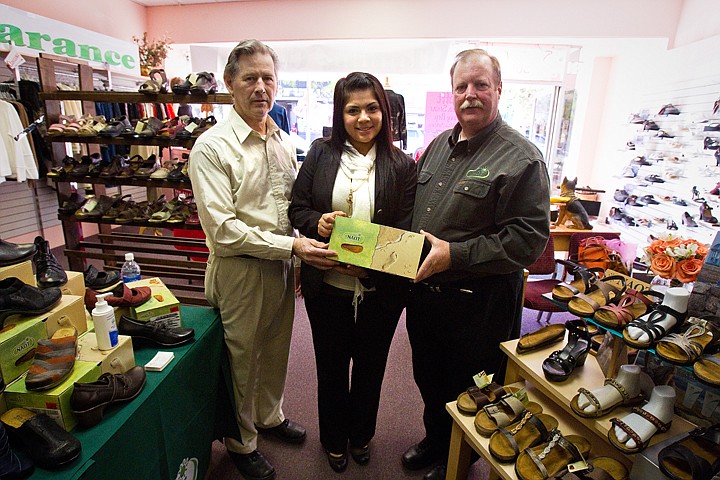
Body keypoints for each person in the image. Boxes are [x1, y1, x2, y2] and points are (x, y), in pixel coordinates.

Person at [188, 39, 338, 480]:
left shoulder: (281, 140)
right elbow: (224, 230)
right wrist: (291, 247)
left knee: (274, 349)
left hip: (280, 265)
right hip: (238, 270)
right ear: (230, 83)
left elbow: (288, 206)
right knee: (241, 358)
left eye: (268, 78)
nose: (260, 87)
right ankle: (241, 440)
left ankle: (269, 416)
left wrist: (298, 244)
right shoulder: (211, 148)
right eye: (249, 77)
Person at [402, 49, 551, 480]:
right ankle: (436, 440)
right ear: (452, 93)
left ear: (498, 90)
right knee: (428, 377)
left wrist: (457, 254)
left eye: (480, 85)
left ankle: (461, 460)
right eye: (462, 86)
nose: (470, 94)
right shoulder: (436, 148)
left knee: (474, 388)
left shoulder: (521, 158)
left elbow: (526, 240)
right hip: (427, 295)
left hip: (480, 304)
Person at [289, 72, 416, 473]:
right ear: (340, 114)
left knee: (370, 367)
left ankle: (360, 435)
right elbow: (298, 209)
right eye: (353, 109)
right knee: (330, 367)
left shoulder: (402, 165)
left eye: (372, 108)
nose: (363, 118)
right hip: (327, 286)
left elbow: (408, 230)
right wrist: (318, 223)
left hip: (380, 291)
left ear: (386, 111)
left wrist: (371, 267)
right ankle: (333, 440)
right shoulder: (319, 154)